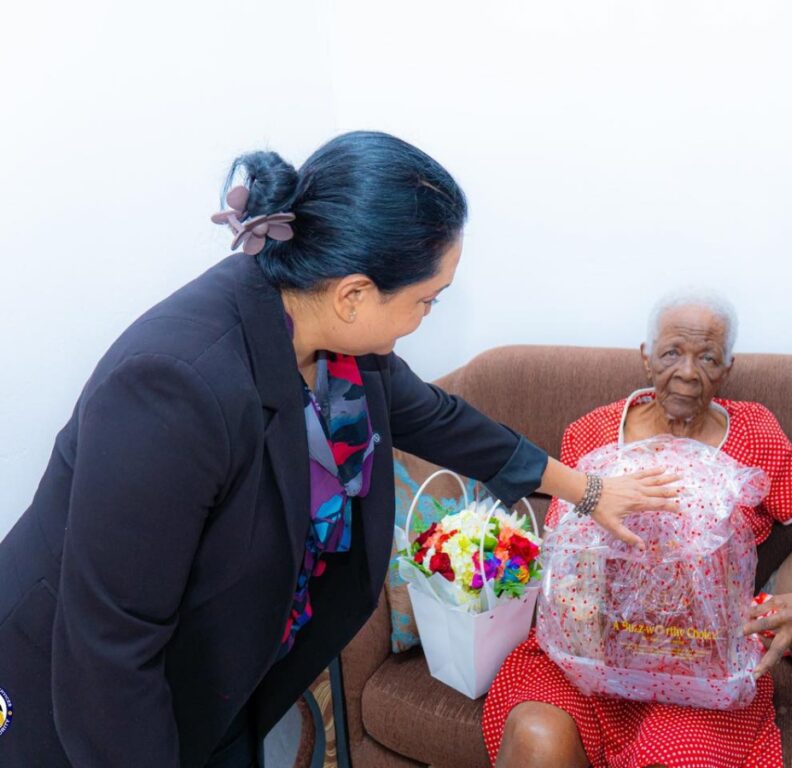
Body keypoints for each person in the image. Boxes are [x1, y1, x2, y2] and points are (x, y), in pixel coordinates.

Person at [0, 131, 678, 768]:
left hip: (216, 663)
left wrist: (589, 491)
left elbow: (440, 420)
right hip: (78, 694)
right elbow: (112, 651)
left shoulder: (328, 336)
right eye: (427, 300)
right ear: (355, 295)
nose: (426, 317)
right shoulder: (174, 388)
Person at [483, 290, 792, 768]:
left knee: (677, 758)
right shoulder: (592, 433)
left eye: (708, 358)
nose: (687, 372)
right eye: (671, 353)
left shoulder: (754, 437)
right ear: (646, 357)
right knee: (536, 738)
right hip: (588, 659)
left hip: (700, 674)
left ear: (727, 369)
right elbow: (565, 562)